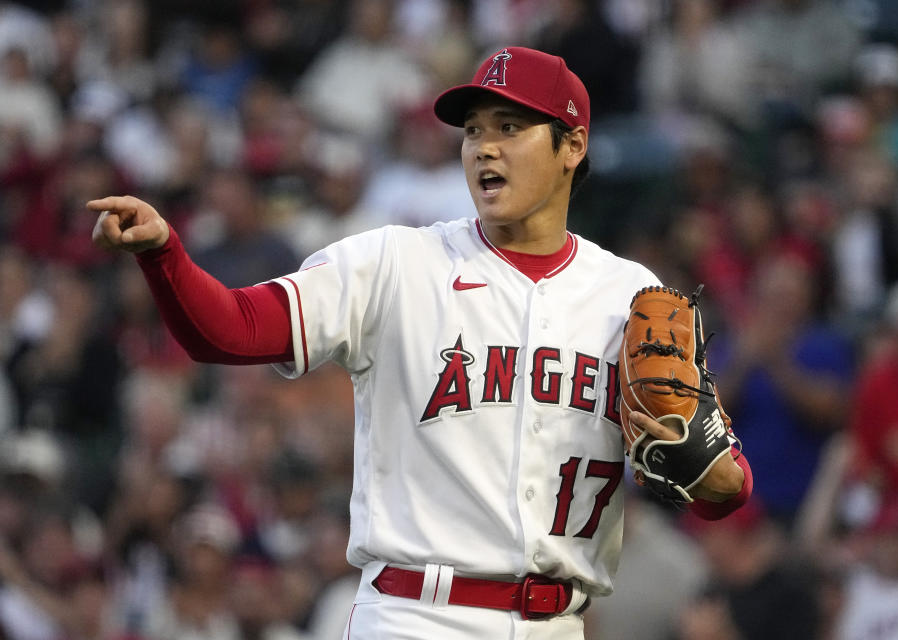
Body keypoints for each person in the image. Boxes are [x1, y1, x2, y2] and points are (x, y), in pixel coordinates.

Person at [87, 47, 752, 639]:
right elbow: (229, 329)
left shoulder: (631, 295)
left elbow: (724, 486)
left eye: (510, 128)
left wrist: (707, 472)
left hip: (559, 623)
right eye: (473, 131)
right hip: (417, 614)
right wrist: (164, 255)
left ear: (572, 145)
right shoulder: (397, 263)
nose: (485, 148)